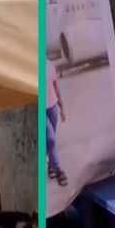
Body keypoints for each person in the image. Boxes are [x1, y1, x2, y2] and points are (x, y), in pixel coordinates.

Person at [46, 57, 67, 186]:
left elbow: (55, 86)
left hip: (52, 106)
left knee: (50, 140)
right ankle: (59, 169)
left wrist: (62, 106)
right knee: (51, 139)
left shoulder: (49, 64)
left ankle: (50, 166)